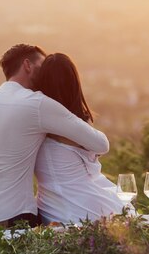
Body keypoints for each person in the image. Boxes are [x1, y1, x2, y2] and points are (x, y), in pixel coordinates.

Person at [0, 44, 110, 231]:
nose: (45, 72)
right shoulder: (37, 104)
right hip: (10, 217)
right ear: (27, 65)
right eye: (41, 66)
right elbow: (101, 144)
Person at [35, 53, 127, 224]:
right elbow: (102, 145)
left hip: (49, 209)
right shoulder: (73, 126)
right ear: (74, 83)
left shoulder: (33, 120)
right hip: (83, 207)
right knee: (125, 214)